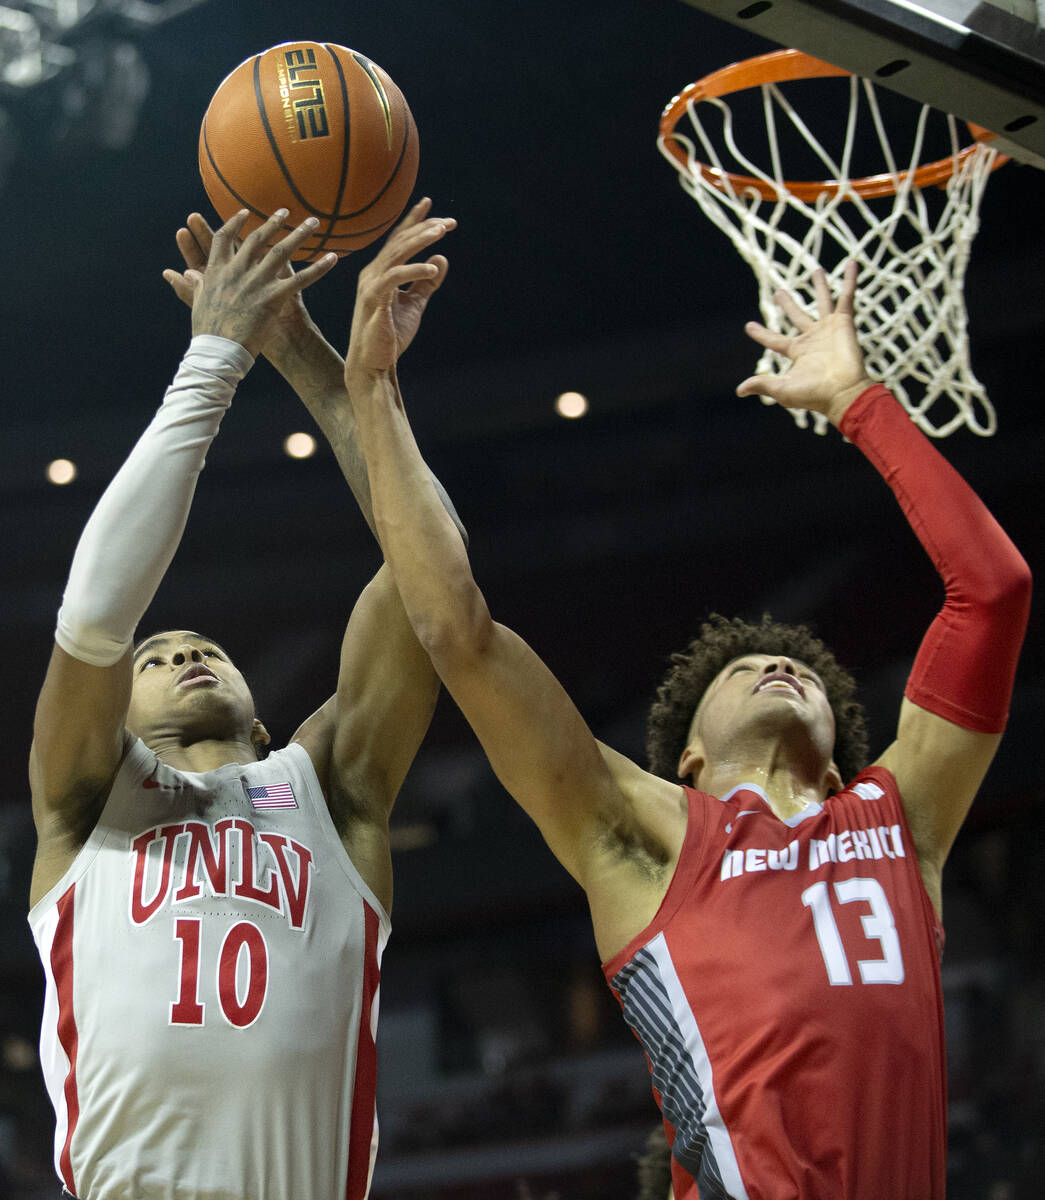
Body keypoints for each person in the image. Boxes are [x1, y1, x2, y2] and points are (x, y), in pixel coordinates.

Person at [343, 228, 1032, 1199]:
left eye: (797, 669)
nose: (779, 667)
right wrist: (374, 390)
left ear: (841, 765)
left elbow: (992, 591)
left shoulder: (897, 820)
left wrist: (854, 402)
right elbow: (461, 634)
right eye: (745, 668)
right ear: (691, 762)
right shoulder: (648, 836)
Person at [28, 201, 458, 1200]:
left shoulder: (329, 788)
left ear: (265, 720)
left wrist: (333, 372)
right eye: (158, 655)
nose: (181, 652)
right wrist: (211, 361)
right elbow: (95, 614)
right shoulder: (86, 802)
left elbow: (427, 578)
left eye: (203, 645)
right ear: (114, 722)